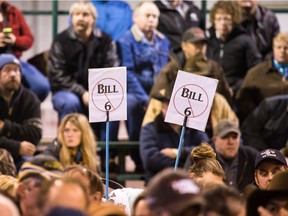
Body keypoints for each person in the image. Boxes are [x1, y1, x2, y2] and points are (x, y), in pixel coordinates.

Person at [144, 27, 237, 138]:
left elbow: (226, 97)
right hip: (177, 125)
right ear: (184, 46)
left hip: (209, 119)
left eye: (203, 45)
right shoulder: (171, 68)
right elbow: (157, 97)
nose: (200, 49)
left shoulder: (214, 67)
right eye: (196, 44)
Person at [48, 1, 119, 140]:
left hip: (99, 91)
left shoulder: (106, 41)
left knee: (113, 103)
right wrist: (83, 93)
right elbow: (58, 76)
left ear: (94, 19)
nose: (80, 18)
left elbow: (112, 71)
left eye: (85, 14)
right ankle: (70, 153)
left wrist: (94, 93)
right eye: (76, 14)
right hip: (67, 91)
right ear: (71, 18)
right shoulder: (60, 41)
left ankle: (110, 156)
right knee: (70, 102)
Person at [118, 1, 170, 142]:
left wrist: (158, 96)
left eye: (155, 16)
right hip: (136, 92)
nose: (152, 19)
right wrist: (145, 99)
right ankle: (136, 150)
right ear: (135, 17)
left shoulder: (164, 41)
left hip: (157, 91)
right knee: (131, 103)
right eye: (148, 15)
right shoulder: (126, 40)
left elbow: (164, 71)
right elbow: (127, 73)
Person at [140, 88, 209, 184]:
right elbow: (151, 160)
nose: (176, 109)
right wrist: (188, 163)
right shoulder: (149, 129)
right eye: (171, 106)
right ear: (163, 107)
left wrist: (177, 153)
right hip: (159, 185)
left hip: (191, 185)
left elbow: (206, 150)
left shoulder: (193, 128)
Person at [207, 0, 261, 97]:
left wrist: (237, 87)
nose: (223, 23)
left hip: (237, 93)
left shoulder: (245, 41)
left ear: (234, 20)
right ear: (214, 21)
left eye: (226, 19)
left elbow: (255, 70)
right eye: (219, 19)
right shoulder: (208, 42)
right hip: (210, 92)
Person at [0, 0, 50, 102]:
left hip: (14, 59)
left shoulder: (13, 12)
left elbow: (29, 39)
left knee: (41, 87)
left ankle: (22, 112)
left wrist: (15, 40)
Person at [0, 53, 42, 167]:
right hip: (15, 150)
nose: (13, 74)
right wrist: (17, 147)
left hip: (20, 157)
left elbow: (35, 134)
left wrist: (5, 127)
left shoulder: (30, 99)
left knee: (31, 167)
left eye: (16, 70)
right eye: (7, 70)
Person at [236, 32, 288, 121]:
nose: (282, 51)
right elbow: (242, 100)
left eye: (286, 48)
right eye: (279, 47)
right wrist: (259, 116)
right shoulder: (256, 73)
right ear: (273, 48)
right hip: (264, 124)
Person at [211, 119, 258, 192]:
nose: (231, 142)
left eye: (234, 137)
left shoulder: (250, 155)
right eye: (225, 137)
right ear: (214, 139)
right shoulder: (202, 157)